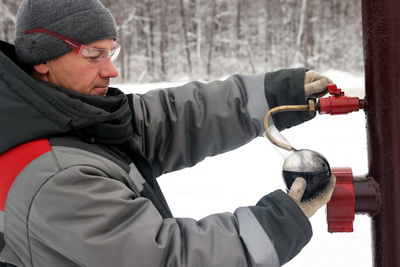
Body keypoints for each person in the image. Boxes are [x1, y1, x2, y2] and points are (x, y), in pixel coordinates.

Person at [0, 0, 335, 266]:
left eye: (111, 52)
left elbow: (176, 119)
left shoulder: (70, 116)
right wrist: (278, 224)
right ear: (42, 59)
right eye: (93, 55)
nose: (111, 70)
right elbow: (167, 258)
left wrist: (277, 94)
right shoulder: (52, 174)